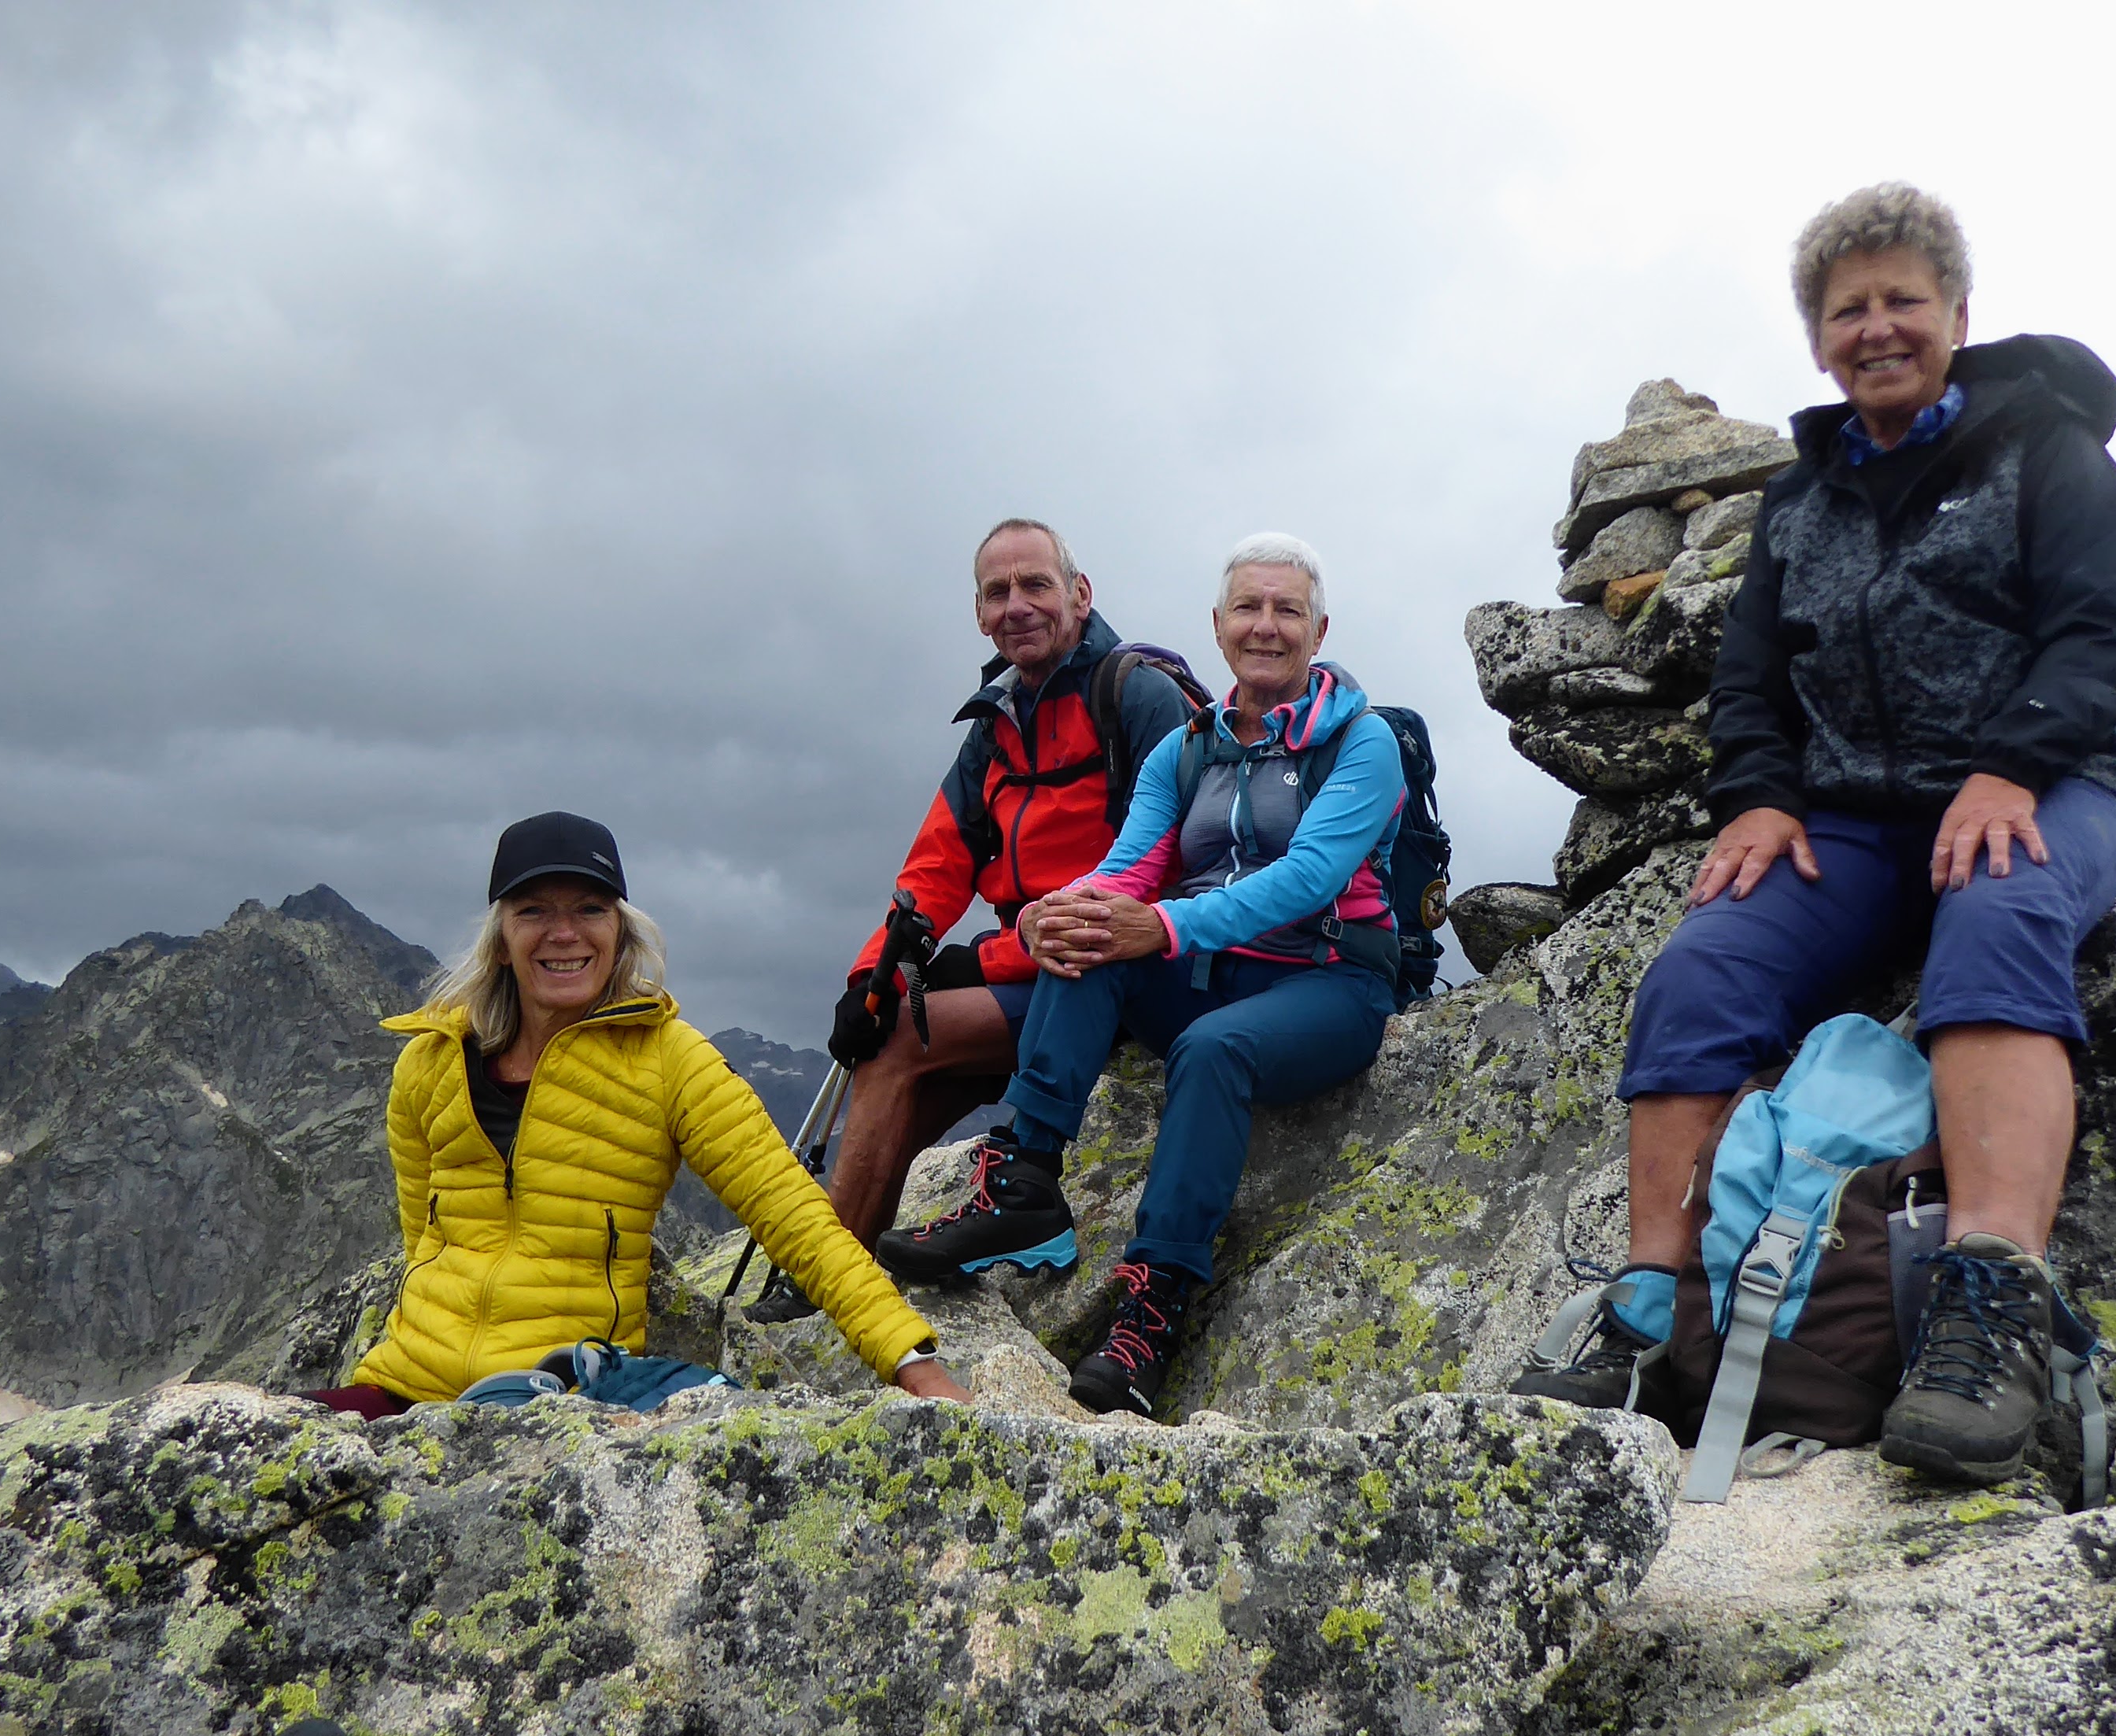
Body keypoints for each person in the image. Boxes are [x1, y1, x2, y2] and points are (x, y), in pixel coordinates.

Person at [1512, 183, 2116, 1488]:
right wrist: (1757, 796)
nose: (1878, 327)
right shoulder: (1803, 501)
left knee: (1998, 920)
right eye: (1849, 309)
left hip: (2047, 781)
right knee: (1704, 965)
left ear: (1958, 314)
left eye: (1903, 299)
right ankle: (1646, 1308)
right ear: (1818, 340)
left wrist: (2011, 767)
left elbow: (2101, 632)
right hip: (1853, 816)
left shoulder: (2049, 452)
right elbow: (1752, 679)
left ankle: (1989, 1304)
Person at [878, 534, 1406, 1419]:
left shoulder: (1363, 741)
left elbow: (1311, 877)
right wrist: (1056, 913)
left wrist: (1160, 925)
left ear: (1319, 631)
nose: (1265, 626)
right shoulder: (1187, 750)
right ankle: (1026, 1185)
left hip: (1330, 981)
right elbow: (1129, 868)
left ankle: (1153, 1309)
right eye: (1247, 608)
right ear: (1218, 624)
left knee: (1213, 1048)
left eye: (1287, 610)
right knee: (1085, 942)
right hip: (1214, 970)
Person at [305, 811, 970, 1415]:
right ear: (501, 940)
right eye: (533, 911)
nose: (564, 933)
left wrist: (914, 1365)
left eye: (590, 909)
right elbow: (422, 1245)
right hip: (407, 1390)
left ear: (620, 930)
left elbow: (795, 1218)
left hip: (564, 1400)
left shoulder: (670, 1060)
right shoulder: (429, 1064)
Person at [744, 519, 1195, 1324]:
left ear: (1080, 594)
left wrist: (986, 961)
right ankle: (851, 1272)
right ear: (979, 614)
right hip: (1034, 965)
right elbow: (938, 864)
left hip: (1114, 972)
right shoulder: (998, 724)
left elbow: (1160, 871)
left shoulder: (1136, 697)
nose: (1017, 605)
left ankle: (825, 1278)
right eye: (997, 592)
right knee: (905, 1049)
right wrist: (872, 974)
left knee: (902, 1041)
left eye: (1036, 585)